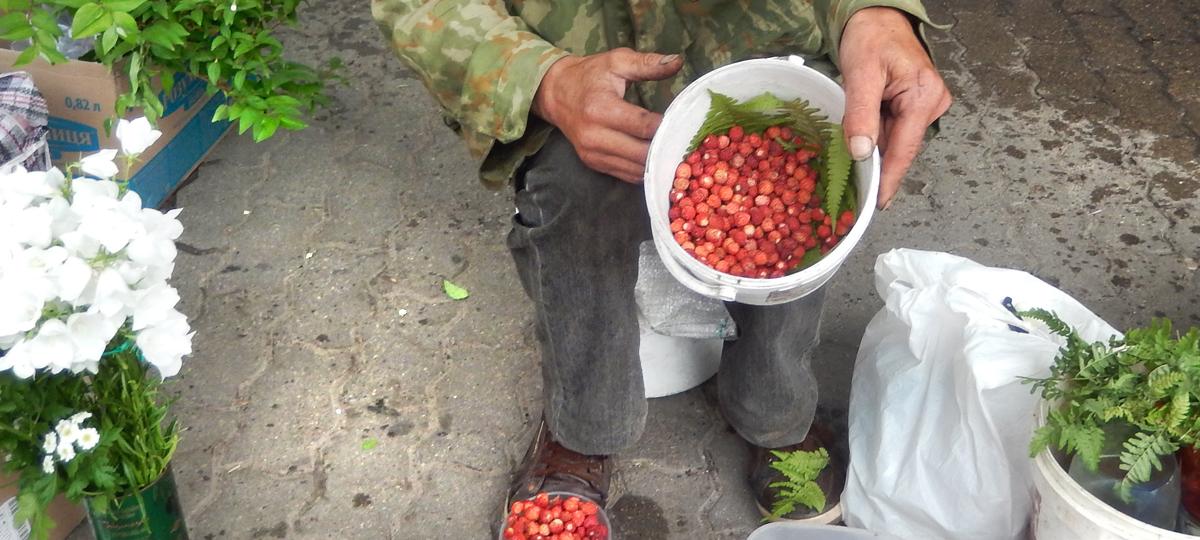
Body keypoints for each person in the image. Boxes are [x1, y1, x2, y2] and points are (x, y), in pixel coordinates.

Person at [373, 0, 951, 524]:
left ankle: (775, 411)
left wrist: (874, 14)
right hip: (575, 64)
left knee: (805, 212)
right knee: (575, 197)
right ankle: (584, 426)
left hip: (764, 53)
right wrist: (541, 78)